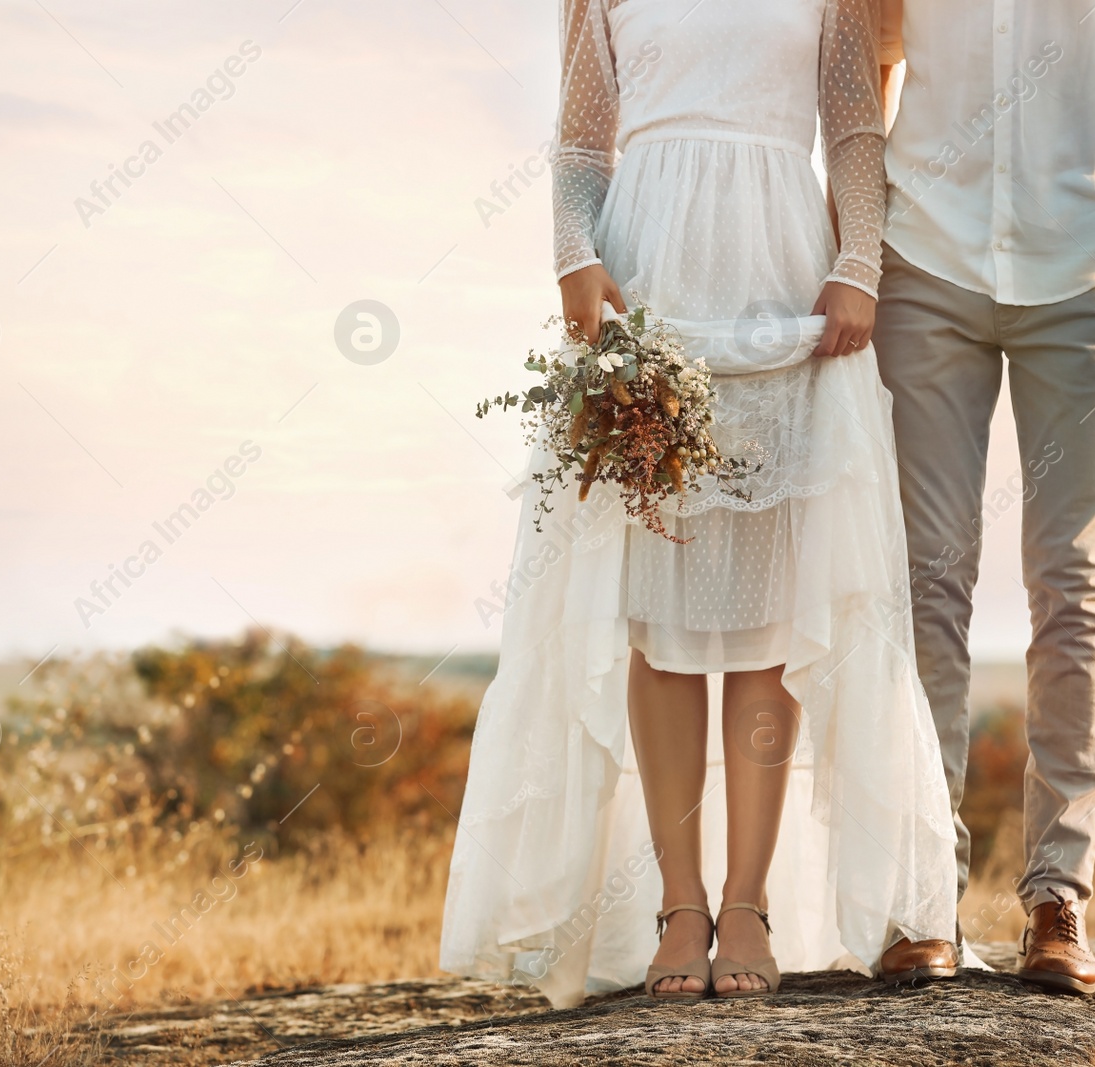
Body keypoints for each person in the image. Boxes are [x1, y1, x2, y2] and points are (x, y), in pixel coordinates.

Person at [440, 0, 958, 1006]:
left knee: (767, 621)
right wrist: (571, 256)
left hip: (780, 277)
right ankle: (678, 903)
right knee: (654, 619)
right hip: (651, 280)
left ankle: (749, 900)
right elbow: (583, 139)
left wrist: (859, 262)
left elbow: (853, 127)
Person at [870, 0, 1095, 995]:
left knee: (1071, 581)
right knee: (924, 579)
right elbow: (867, 54)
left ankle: (1056, 898)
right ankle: (922, 895)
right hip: (924, 253)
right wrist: (851, 241)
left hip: (1086, 258)